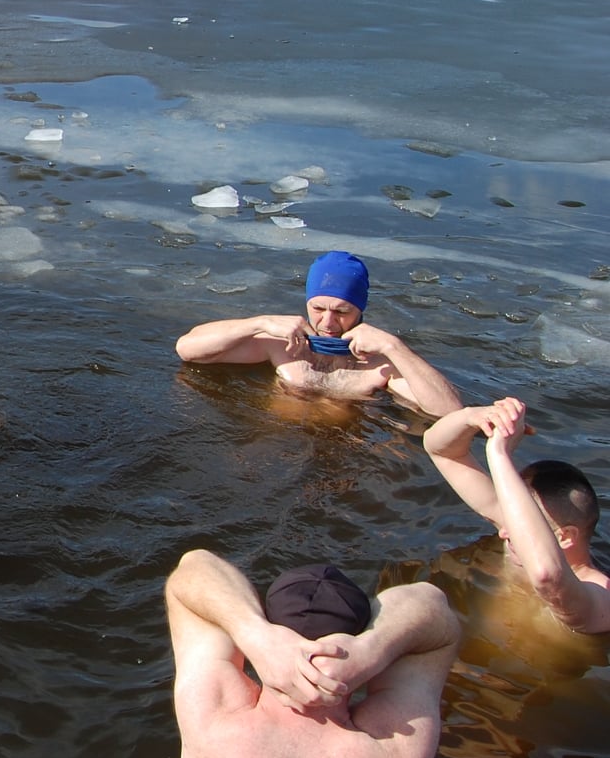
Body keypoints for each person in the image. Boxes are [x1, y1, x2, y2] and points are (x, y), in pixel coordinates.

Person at [165, 549, 460, 758]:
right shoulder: (396, 746)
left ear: (271, 621)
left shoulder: (212, 715)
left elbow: (194, 566)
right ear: (357, 633)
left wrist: (255, 633)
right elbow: (432, 607)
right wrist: (371, 648)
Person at [173, 250, 462, 415]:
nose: (327, 322)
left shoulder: (379, 366)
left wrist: (394, 346)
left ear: (360, 309)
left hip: (346, 454)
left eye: (341, 312)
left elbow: (448, 412)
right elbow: (188, 350)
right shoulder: (284, 345)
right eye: (318, 308)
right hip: (277, 444)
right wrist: (259, 323)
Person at [423, 397, 610, 634]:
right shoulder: (515, 531)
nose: (503, 531)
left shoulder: (599, 596)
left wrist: (499, 454)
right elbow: (441, 451)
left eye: (514, 525)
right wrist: (473, 417)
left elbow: (548, 576)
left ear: (564, 537)